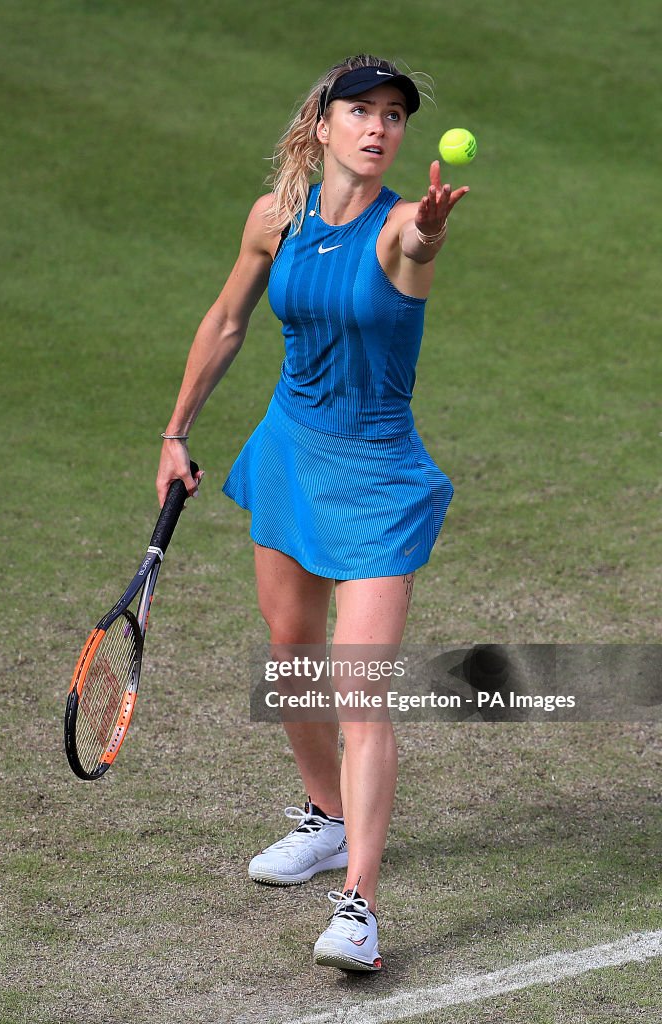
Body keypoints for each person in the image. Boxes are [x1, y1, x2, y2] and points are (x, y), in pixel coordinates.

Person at [156, 53, 469, 972]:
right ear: (322, 124)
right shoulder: (274, 221)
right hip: (293, 450)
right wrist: (175, 433)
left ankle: (359, 904)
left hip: (376, 475)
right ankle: (324, 818)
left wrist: (431, 232)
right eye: (362, 111)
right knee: (292, 657)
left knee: (362, 690)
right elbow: (226, 321)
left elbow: (415, 249)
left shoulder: (402, 223)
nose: (380, 127)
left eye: (395, 116)